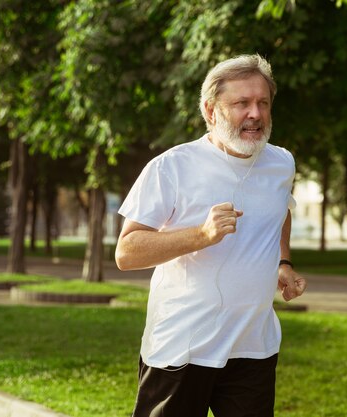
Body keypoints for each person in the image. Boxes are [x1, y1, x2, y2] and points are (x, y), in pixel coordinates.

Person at [115, 54, 307, 417]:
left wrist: (283, 262)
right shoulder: (171, 167)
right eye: (242, 103)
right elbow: (126, 252)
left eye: (263, 103)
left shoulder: (281, 163)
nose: (255, 114)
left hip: (253, 345)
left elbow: (280, 210)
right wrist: (201, 235)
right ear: (210, 109)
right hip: (182, 347)